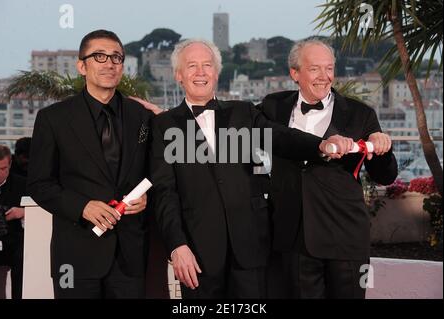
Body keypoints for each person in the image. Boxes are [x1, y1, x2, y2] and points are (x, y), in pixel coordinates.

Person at [148, 38, 350, 299]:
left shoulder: (243, 112)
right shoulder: (164, 125)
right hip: (198, 253)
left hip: (251, 247)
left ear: (216, 72)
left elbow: (280, 136)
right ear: (178, 75)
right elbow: (164, 192)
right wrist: (177, 245)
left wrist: (321, 145)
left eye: (207, 65)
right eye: (192, 66)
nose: (201, 72)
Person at [259, 39, 398, 298]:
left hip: (346, 238)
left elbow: (385, 175)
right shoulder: (273, 106)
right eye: (314, 69)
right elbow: (256, 132)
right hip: (292, 240)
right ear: (295, 73)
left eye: (329, 68)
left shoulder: (361, 113)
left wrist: (382, 149)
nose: (324, 77)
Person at [27, 30, 153, 299]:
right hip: (75, 257)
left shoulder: (141, 116)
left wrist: (147, 199)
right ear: (82, 66)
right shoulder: (53, 118)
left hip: (130, 257)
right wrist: (82, 207)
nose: (109, 63)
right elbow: (39, 183)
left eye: (116, 57)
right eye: (100, 56)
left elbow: (157, 172)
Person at [0, 144, 26, 299]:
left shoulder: (23, 184)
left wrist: (23, 212)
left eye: (3, 169)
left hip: (13, 242)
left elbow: (42, 210)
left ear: (10, 164)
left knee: (23, 256)